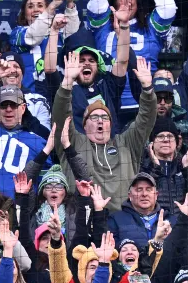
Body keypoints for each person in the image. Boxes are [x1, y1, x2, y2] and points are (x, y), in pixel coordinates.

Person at [51, 54, 157, 212]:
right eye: (94, 117)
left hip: (124, 221)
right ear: (84, 125)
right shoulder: (73, 142)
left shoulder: (126, 143)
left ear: (111, 124)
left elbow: (146, 119)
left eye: (104, 117)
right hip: (82, 221)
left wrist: (148, 89)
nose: (100, 121)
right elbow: (60, 117)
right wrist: (67, 83)